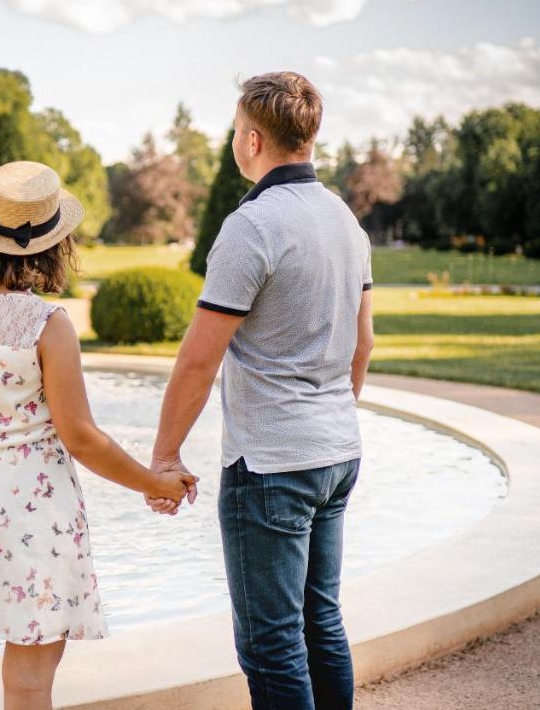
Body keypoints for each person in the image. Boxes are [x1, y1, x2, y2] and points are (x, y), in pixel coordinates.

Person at [0, 161, 196, 710]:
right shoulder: (47, 326)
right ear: (51, 244)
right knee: (28, 682)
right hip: (33, 519)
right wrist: (151, 483)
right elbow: (82, 437)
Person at [147, 73, 374, 710]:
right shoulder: (345, 221)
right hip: (336, 453)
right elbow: (364, 345)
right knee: (319, 623)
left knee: (271, 645)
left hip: (271, 465)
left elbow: (198, 361)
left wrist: (163, 458)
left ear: (252, 139)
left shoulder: (253, 225)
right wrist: (327, 417)